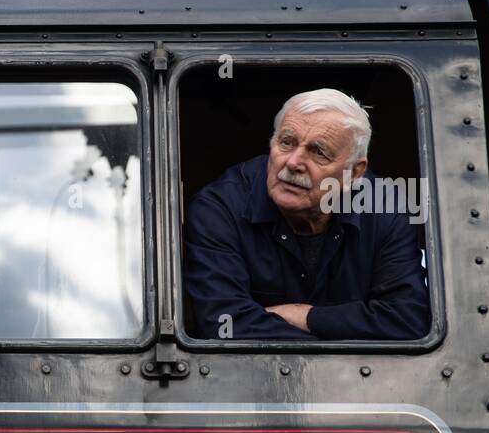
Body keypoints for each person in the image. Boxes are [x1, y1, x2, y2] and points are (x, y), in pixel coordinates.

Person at [183, 88, 429, 340]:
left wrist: (305, 316)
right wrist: (348, 332)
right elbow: (225, 325)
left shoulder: (383, 205)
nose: (293, 162)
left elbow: (408, 320)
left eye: (318, 152)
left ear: (354, 173)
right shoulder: (219, 208)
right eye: (286, 143)